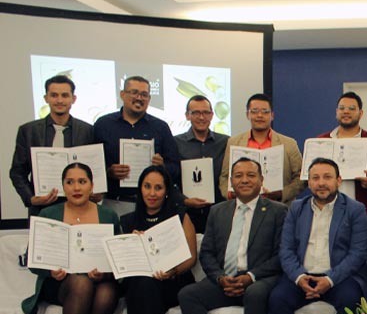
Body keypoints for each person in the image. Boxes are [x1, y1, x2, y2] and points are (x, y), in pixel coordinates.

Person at [178, 158, 287, 314]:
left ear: (261, 180)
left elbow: (281, 255)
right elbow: (207, 253)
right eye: (238, 176)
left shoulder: (278, 211)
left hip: (258, 279)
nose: (244, 180)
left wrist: (250, 277)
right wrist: (220, 277)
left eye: (251, 175)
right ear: (231, 181)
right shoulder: (218, 211)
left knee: (255, 294)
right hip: (225, 280)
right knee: (187, 295)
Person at [269, 157, 367, 314]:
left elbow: (357, 253)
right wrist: (299, 277)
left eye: (327, 177)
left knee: (351, 299)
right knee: (277, 299)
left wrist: (330, 279)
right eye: (315, 178)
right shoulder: (296, 208)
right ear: (309, 182)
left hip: (339, 276)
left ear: (338, 180)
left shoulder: (355, 209)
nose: (321, 183)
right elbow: (286, 250)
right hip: (303, 276)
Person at [21, 163, 120, 314]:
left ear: (92, 186)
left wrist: (104, 273)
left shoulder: (108, 215)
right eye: (70, 182)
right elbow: (32, 260)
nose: (76, 187)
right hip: (59, 284)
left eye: (82, 182)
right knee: (80, 283)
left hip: (97, 281)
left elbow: (117, 260)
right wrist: (50, 270)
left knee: (107, 293)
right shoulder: (49, 214)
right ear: (63, 186)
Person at [120, 166, 197, 314]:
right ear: (140, 189)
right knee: (142, 282)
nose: (152, 193)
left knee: (142, 287)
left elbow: (191, 257)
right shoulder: (127, 221)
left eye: (158, 187)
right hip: (142, 282)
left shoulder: (179, 216)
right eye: (147, 187)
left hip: (173, 280)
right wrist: (131, 243)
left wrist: (173, 271)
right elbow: (122, 263)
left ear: (167, 191)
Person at [94, 75, 182, 216]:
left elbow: (176, 168)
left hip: (153, 207)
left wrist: (162, 167)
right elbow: (91, 166)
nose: (139, 98)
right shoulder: (103, 124)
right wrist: (109, 172)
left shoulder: (161, 127)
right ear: (122, 94)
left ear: (149, 99)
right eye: (134, 92)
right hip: (114, 203)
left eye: (144, 95)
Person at [10, 75, 96, 217]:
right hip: (41, 209)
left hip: (80, 208)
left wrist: (97, 191)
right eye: (54, 95)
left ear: (73, 99)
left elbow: (95, 168)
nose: (60, 100)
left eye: (65, 95)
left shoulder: (88, 130)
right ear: (46, 98)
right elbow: (17, 172)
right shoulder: (28, 131)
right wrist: (31, 198)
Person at [318, 91, 367, 229]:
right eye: (342, 108)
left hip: (364, 211)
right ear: (336, 112)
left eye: (352, 108)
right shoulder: (321, 141)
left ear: (361, 113)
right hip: (327, 210)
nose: (346, 111)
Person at [218, 93, 304, 205]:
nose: (259, 115)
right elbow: (224, 177)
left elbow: (300, 178)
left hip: (279, 207)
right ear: (247, 115)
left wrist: (282, 194)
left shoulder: (289, 144)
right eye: (254, 111)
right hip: (243, 206)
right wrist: (230, 194)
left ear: (272, 115)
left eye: (265, 112)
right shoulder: (234, 142)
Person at [175, 95, 230, 233]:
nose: (201, 117)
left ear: (212, 115)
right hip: (188, 214)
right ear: (187, 115)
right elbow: (169, 180)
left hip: (220, 213)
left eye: (206, 112)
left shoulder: (226, 142)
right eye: (196, 113)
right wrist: (184, 200)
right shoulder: (175, 143)